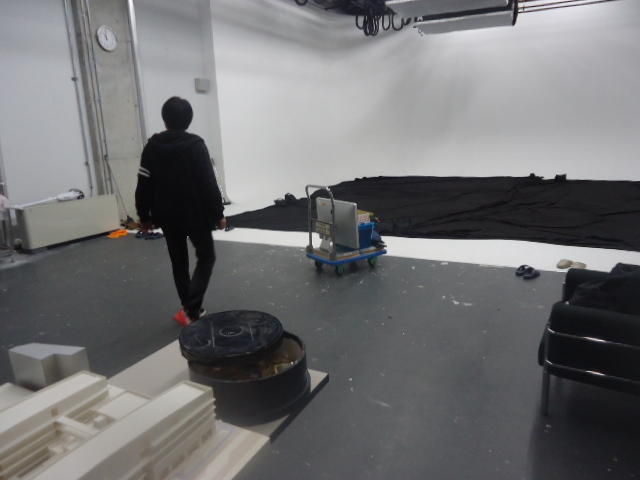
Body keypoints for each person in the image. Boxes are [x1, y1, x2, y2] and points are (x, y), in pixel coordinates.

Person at [135, 96, 226, 326]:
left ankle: (189, 310)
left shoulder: (152, 147)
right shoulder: (195, 145)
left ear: (165, 119)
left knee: (179, 263)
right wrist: (218, 214)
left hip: (167, 216)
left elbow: (143, 184)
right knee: (207, 257)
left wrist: (144, 216)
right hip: (195, 214)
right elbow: (208, 183)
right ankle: (191, 310)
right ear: (189, 119)